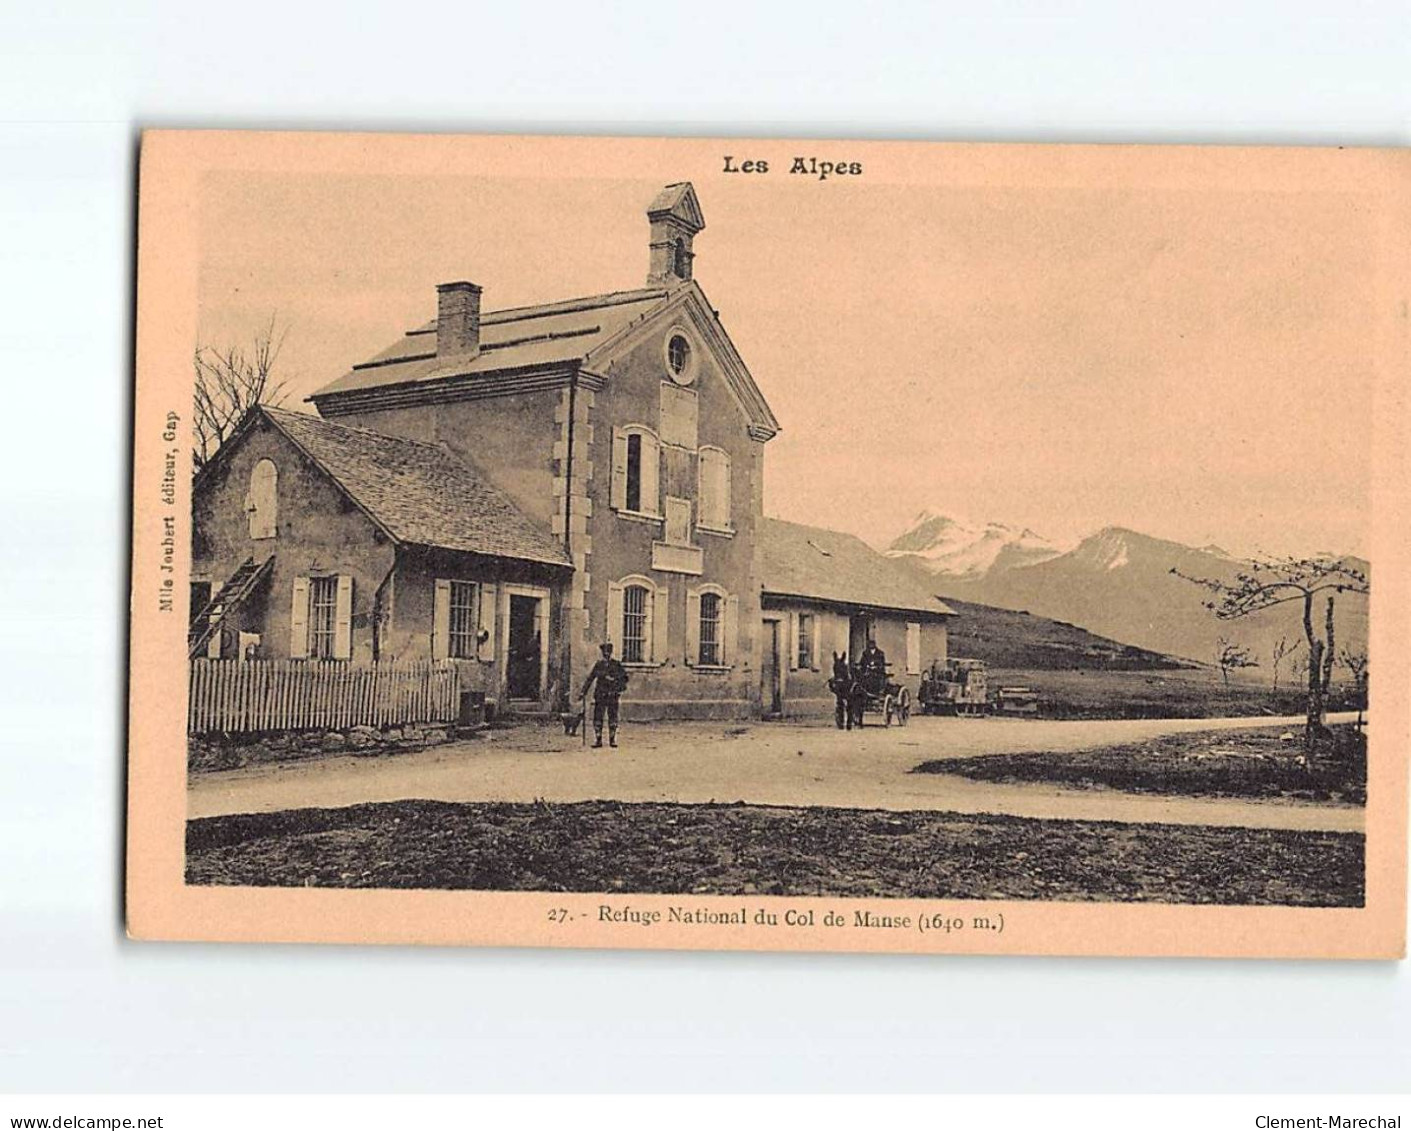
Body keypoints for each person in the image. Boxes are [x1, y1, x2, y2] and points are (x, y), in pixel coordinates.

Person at [580, 641, 630, 748]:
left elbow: (625, 678)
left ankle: (612, 740)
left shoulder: (616, 665)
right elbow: (590, 678)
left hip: (613, 695)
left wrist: (616, 682)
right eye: (604, 652)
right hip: (600, 695)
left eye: (608, 652)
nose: (606, 654)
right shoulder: (599, 665)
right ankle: (598, 740)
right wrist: (583, 691)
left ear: (611, 653)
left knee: (613, 717)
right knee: (598, 717)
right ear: (602, 653)